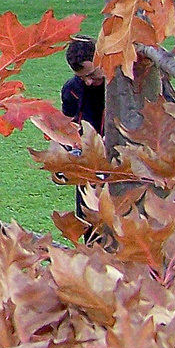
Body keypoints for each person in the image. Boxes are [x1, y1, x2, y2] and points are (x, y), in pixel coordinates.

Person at [61, 36, 105, 222]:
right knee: (89, 224)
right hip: (87, 169)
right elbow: (65, 127)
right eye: (82, 77)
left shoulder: (122, 88)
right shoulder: (71, 90)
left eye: (93, 74)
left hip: (119, 167)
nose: (88, 81)